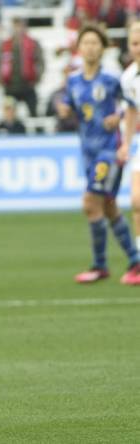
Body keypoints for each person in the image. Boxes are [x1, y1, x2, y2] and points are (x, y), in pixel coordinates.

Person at [57, 25, 140, 284]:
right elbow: (68, 108)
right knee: (109, 206)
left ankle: (100, 264)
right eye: (86, 43)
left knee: (90, 203)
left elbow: (130, 106)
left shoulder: (112, 79)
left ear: (103, 48)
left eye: (95, 43)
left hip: (110, 150)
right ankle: (135, 260)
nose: (91, 47)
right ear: (79, 48)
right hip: (89, 152)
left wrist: (118, 117)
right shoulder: (73, 81)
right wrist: (62, 109)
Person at [121, 21, 140, 285]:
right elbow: (131, 110)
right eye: (135, 42)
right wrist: (125, 142)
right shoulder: (128, 77)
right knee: (137, 200)